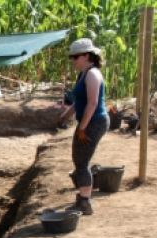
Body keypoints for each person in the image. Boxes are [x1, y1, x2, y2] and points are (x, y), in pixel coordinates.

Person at [59, 38, 109, 215]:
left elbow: (93, 103)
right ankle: (83, 199)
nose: (72, 60)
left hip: (94, 121)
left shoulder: (93, 74)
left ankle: (85, 202)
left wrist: (82, 128)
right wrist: (66, 116)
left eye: (75, 57)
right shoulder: (83, 74)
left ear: (87, 56)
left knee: (81, 162)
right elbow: (80, 101)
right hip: (89, 121)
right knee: (80, 160)